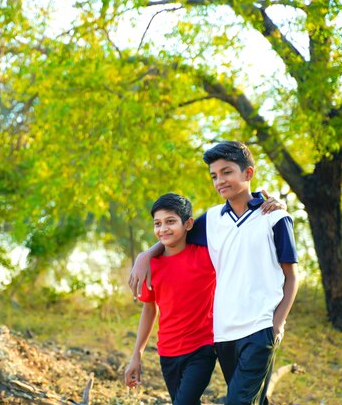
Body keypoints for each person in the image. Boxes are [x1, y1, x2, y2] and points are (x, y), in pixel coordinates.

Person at [129, 141, 299, 405]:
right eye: (214, 176)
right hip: (224, 333)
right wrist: (144, 256)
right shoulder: (213, 220)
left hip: (261, 327)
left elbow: (292, 276)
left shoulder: (275, 218)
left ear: (248, 173)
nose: (220, 180)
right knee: (250, 398)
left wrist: (277, 323)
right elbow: (173, 234)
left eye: (227, 172)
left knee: (239, 401)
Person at [124, 193, 216, 405]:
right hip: (167, 352)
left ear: (188, 224)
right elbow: (149, 310)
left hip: (202, 348)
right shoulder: (151, 266)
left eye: (171, 221)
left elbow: (229, 212)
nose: (163, 229)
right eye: (157, 223)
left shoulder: (206, 256)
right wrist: (136, 355)